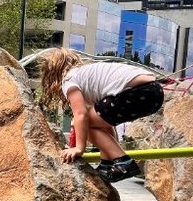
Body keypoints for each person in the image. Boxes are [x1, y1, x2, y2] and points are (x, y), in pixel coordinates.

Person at [39, 48, 165, 183]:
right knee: (98, 120)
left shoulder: (69, 80)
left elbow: (80, 116)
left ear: (52, 74)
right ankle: (108, 163)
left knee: (86, 122)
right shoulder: (88, 77)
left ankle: (123, 162)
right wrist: (106, 160)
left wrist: (78, 148)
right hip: (155, 93)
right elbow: (106, 124)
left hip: (138, 92)